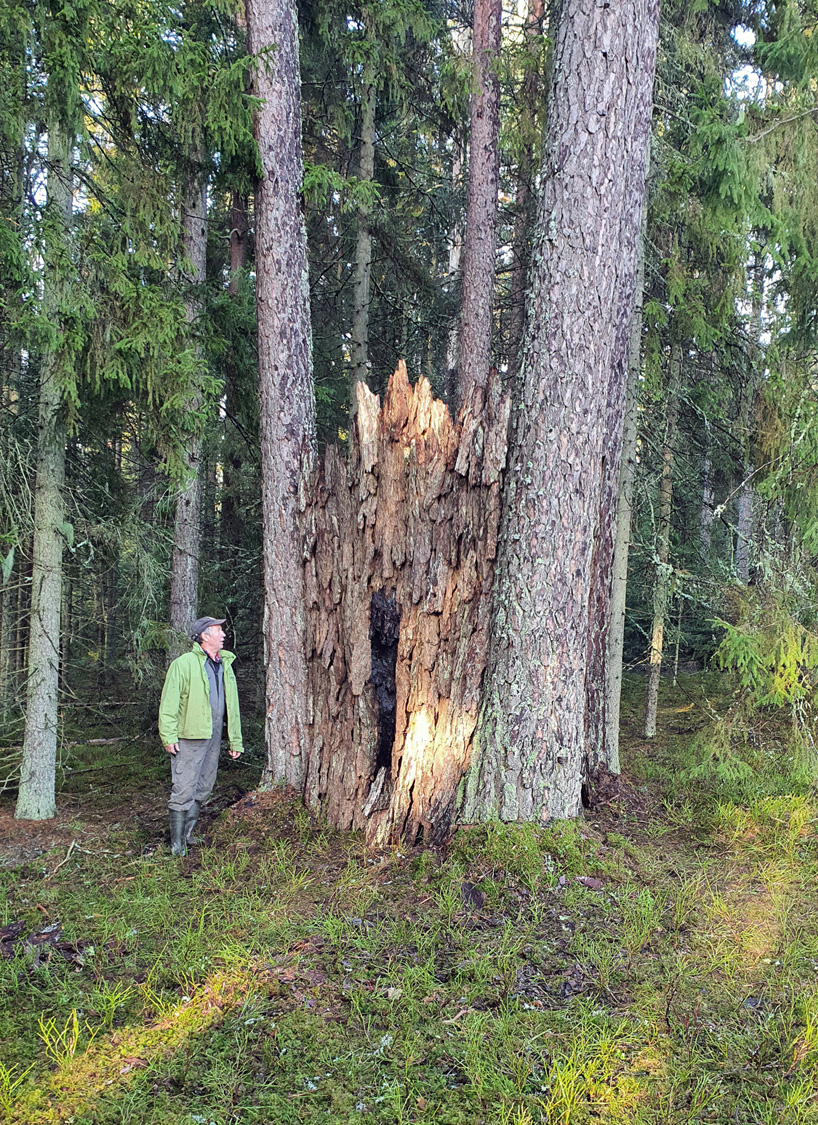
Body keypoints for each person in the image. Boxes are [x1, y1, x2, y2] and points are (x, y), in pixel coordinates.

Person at [158, 616, 243, 856]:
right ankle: (176, 845)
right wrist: (169, 736)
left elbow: (232, 707)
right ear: (205, 635)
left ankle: (187, 835)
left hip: (213, 736)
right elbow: (168, 704)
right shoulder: (184, 664)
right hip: (189, 736)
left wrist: (234, 739)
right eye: (218, 631)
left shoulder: (224, 664)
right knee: (184, 787)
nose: (223, 635)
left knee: (204, 786)